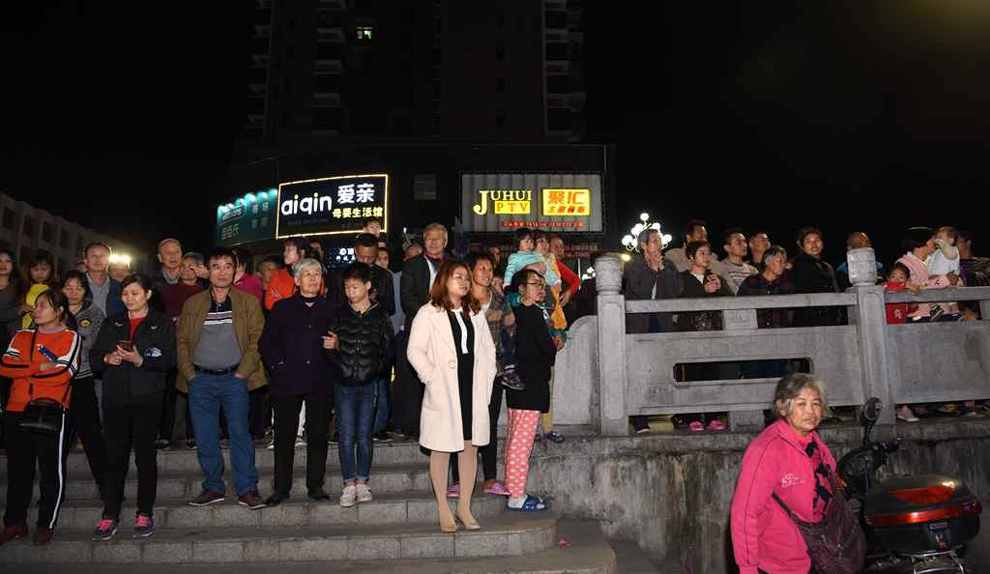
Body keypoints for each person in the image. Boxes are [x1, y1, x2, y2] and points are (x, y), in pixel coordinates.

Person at [407, 259, 497, 532]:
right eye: (459, 277)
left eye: (467, 277)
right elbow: (414, 350)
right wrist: (432, 377)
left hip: (472, 388)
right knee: (442, 448)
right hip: (444, 389)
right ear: (444, 280)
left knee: (470, 448)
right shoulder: (428, 313)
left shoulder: (475, 312)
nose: (465, 282)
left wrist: (487, 379)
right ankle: (444, 508)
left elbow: (488, 348)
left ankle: (464, 507)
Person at [176, 247, 267, 510]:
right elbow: (181, 341)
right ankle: (213, 486)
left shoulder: (248, 302)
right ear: (207, 271)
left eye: (228, 266)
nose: (223, 272)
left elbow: (257, 339)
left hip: (234, 379)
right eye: (216, 266)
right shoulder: (193, 304)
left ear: (236, 270)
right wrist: (190, 374)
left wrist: (242, 373)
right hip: (200, 380)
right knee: (205, 436)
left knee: (240, 435)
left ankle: (247, 488)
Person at [90, 274, 176, 540]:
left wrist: (141, 361)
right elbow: (94, 358)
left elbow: (169, 361)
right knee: (114, 459)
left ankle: (144, 513)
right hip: (115, 400)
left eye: (135, 293)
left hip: (147, 400)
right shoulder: (112, 322)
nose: (129, 298)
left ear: (148, 294)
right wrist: (108, 358)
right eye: (125, 294)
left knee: (145, 458)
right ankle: (110, 515)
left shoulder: (161, 322)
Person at [731, 373, 837, 574]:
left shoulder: (815, 444)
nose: (810, 411)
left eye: (816, 404)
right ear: (782, 407)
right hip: (779, 563)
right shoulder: (766, 449)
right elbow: (744, 513)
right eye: (801, 404)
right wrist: (747, 567)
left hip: (817, 555)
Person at [0, 289, 80, 546]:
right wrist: (39, 366)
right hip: (15, 409)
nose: (37, 309)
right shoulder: (21, 335)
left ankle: (45, 523)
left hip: (50, 410)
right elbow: (5, 367)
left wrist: (25, 371)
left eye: (43, 305)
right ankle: (14, 523)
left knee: (50, 471)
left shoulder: (70, 337)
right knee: (17, 471)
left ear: (59, 311)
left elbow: (63, 373)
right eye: (36, 305)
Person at [259, 258, 335, 506]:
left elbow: (343, 341)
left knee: (318, 436)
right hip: (287, 381)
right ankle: (281, 488)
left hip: (320, 380)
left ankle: (316, 486)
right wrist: (279, 367)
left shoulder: (332, 308)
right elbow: (266, 343)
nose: (312, 278)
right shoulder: (282, 308)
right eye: (307, 274)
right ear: (296, 280)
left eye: (317, 274)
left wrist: (337, 345)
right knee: (284, 436)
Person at [324, 262, 394, 506]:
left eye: (355, 287)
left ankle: (362, 482)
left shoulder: (380, 314)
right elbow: (328, 346)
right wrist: (339, 363)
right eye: (347, 287)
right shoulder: (339, 313)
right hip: (343, 383)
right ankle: (348, 484)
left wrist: (374, 371)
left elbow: (389, 351)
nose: (350, 291)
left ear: (367, 286)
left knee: (364, 434)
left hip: (369, 383)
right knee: (345, 435)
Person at [448, 251, 514, 498]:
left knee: (489, 424)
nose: (487, 273)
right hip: (463, 372)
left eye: (490, 269)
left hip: (493, 372)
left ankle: (490, 478)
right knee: (461, 423)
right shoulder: (459, 302)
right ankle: (458, 480)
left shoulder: (500, 301)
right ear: (471, 271)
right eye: (481, 268)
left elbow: (512, 330)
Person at [502, 269, 554, 511]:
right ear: (521, 289)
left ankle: (513, 489)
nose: (541, 288)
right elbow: (547, 349)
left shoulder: (517, 313)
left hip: (518, 383)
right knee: (521, 444)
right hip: (530, 384)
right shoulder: (531, 313)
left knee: (514, 439)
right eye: (535, 284)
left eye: (542, 284)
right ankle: (516, 495)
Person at [623, 229, 681, 433]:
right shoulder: (633, 265)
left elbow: (675, 291)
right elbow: (642, 291)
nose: (659, 243)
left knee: (660, 370)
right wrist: (653, 269)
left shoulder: (669, 264)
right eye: (655, 240)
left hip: (661, 322)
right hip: (639, 324)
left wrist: (662, 270)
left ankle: (660, 409)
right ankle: (639, 418)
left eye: (660, 240)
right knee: (637, 370)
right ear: (644, 245)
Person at [396, 223, 448, 439]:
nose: (433, 242)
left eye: (438, 238)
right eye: (429, 238)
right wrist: (430, 317)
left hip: (447, 330)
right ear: (424, 241)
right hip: (419, 327)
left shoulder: (454, 264)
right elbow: (406, 298)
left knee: (443, 378)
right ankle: (414, 426)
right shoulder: (412, 265)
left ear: (445, 241)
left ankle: (442, 425)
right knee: (414, 378)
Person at [60, 271, 108, 498]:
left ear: (85, 291)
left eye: (78, 287)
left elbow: (98, 346)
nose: (73, 292)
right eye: (68, 287)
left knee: (92, 436)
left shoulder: (94, 313)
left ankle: (106, 486)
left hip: (83, 379)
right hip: (55, 383)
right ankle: (53, 491)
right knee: (58, 440)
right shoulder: (52, 311)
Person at [676, 241, 733, 431]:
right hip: (690, 334)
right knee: (692, 375)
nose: (706, 257)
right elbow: (678, 302)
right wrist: (703, 290)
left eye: (708, 253)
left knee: (712, 375)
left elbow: (732, 301)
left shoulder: (716, 277)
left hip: (713, 333)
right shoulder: (682, 278)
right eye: (702, 253)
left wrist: (721, 287)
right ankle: (692, 416)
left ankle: (711, 417)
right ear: (691, 257)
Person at [159, 252, 205, 449]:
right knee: (169, 392)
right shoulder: (166, 291)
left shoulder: (206, 291)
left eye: (191, 266)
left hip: (197, 347)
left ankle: (193, 434)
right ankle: (165, 435)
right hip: (171, 345)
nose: (185, 270)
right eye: (183, 266)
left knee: (194, 391)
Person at [738, 247, 796, 379]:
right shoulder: (751, 282)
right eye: (779, 261)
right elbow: (738, 310)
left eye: (784, 261)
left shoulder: (786, 282)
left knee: (776, 378)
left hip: (778, 340)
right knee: (753, 378)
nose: (783, 265)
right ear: (767, 262)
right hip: (754, 341)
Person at [790, 227, 843, 327]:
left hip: (829, 318)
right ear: (801, 245)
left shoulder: (826, 266)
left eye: (817, 240)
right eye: (808, 242)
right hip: (808, 320)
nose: (814, 245)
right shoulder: (799, 264)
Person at [0, 249, 23, 449]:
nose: (3, 264)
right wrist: (16, 311)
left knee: (9, 394)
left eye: (7, 261)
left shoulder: (20, 289)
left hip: (10, 346)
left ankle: (7, 438)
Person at [265, 237, 322, 311]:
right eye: (285, 250)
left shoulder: (315, 274)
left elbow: (317, 304)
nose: (285, 253)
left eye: (289, 250)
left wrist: (283, 301)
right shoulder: (278, 275)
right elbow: (269, 303)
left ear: (302, 252)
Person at [20, 249, 60, 329]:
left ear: (51, 270)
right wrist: (20, 309)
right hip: (22, 330)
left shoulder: (56, 290)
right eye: (35, 269)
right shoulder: (21, 287)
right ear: (29, 270)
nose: (39, 273)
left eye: (44, 269)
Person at [83, 243, 125, 319]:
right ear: (86, 261)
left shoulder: (120, 288)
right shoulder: (76, 286)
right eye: (93, 256)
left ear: (109, 261)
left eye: (102, 256)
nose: (98, 259)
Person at [710, 228, 758, 294]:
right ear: (727, 248)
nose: (744, 245)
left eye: (744, 241)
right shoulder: (719, 268)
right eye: (739, 243)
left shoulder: (752, 270)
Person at [548, 234, 582, 308]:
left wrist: (568, 294)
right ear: (547, 248)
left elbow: (576, 279)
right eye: (556, 247)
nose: (560, 250)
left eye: (561, 247)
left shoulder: (557, 264)